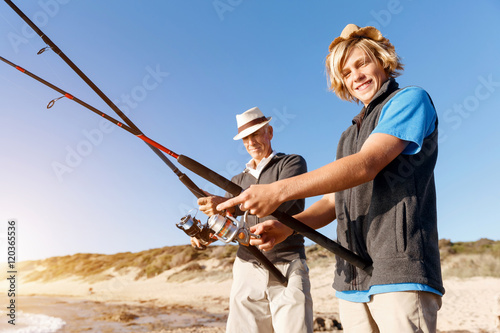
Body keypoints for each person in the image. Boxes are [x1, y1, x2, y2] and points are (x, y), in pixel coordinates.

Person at [218, 24, 444, 332]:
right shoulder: (348, 136)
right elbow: (333, 201)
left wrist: (277, 191)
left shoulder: (409, 101)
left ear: (382, 60)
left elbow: (366, 164)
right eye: (346, 73)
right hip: (350, 277)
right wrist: (285, 227)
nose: (356, 76)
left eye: (361, 63)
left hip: (399, 269)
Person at [191, 107, 313, 333]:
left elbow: (275, 204)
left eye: (256, 133)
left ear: (270, 132)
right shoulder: (237, 179)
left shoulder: (292, 163)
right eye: (246, 138)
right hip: (246, 266)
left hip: (287, 264)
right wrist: (206, 235)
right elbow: (228, 219)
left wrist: (227, 202)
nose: (251, 141)